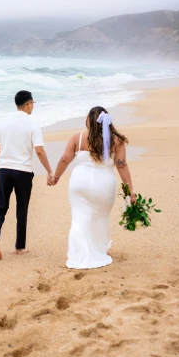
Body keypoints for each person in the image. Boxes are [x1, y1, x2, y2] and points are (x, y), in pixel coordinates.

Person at [50, 106, 136, 270]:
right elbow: (121, 165)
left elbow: (64, 158)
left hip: (79, 183)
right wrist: (130, 190)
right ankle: (97, 251)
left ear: (88, 120)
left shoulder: (78, 137)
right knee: (100, 218)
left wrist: (56, 177)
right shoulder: (116, 140)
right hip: (104, 185)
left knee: (79, 219)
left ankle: (78, 255)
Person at [0, 90, 54, 260]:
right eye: (33, 104)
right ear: (28, 104)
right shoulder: (33, 124)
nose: (33, 107)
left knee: (1, 207)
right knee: (21, 209)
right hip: (23, 171)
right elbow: (39, 151)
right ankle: (20, 247)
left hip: (4, 169)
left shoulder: (3, 123)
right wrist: (49, 170)